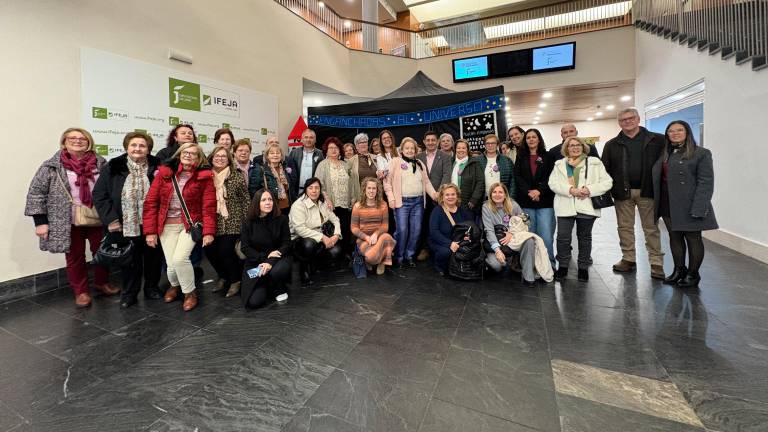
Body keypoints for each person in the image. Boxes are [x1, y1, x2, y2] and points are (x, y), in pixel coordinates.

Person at [25, 127, 118, 308]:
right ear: (64, 142)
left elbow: (111, 190)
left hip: (96, 216)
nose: (78, 141)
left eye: (82, 139)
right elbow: (36, 193)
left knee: (103, 251)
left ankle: (101, 282)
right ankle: (81, 291)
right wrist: (40, 222)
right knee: (75, 255)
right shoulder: (51, 166)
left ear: (89, 142)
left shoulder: (101, 163)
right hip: (66, 219)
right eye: (72, 138)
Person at [142, 142, 216, 311]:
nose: (189, 155)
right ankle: (174, 285)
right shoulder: (164, 174)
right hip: (166, 226)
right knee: (170, 264)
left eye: (193, 153)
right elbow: (151, 203)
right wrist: (150, 232)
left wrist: (209, 232)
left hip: (189, 224)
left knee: (179, 259)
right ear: (179, 154)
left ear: (199, 158)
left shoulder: (204, 176)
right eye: (185, 152)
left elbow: (209, 206)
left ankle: (190, 293)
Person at [92, 131, 163, 308]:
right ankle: (129, 293)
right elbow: (100, 195)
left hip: (152, 222)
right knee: (130, 260)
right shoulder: (113, 166)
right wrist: (111, 219)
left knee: (153, 258)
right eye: (134, 145)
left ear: (148, 149)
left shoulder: (158, 166)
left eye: (142, 145)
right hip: (124, 224)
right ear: (127, 147)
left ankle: (151, 288)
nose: (137, 148)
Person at [602, 108, 665, 279]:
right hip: (623, 192)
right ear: (619, 123)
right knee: (624, 227)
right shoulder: (611, 145)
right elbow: (604, 170)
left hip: (648, 191)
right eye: (623, 120)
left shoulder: (657, 140)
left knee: (651, 228)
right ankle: (628, 258)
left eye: (630, 118)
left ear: (638, 119)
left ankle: (656, 262)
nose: (627, 122)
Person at [653, 120, 717, 288]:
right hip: (667, 202)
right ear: (667, 134)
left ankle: (693, 274)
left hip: (690, 203)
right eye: (671, 131)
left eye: (679, 130)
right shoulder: (665, 153)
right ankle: (679, 270)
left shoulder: (701, 153)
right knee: (674, 237)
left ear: (687, 132)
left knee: (693, 238)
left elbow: (706, 182)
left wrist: (699, 206)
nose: (675, 133)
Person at [549, 137, 613, 281]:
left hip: (586, 205)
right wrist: (570, 190)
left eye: (578, 145)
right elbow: (552, 183)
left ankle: (583, 268)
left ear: (583, 147)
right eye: (571, 146)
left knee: (584, 238)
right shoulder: (559, 164)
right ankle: (563, 266)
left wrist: (589, 189)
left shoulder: (594, 162)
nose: (575, 148)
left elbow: (607, 182)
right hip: (566, 205)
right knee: (563, 238)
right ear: (566, 148)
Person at [384, 137, 438, 268]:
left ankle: (409, 256)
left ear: (416, 150)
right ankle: (398, 257)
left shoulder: (419, 163)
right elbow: (387, 182)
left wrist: (435, 195)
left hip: (418, 202)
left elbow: (426, 183)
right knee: (402, 230)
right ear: (401, 150)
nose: (409, 150)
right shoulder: (395, 162)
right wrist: (391, 198)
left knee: (416, 230)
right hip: (402, 202)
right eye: (406, 148)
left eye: (412, 148)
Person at [205, 145, 249, 298]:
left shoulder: (236, 175)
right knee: (209, 251)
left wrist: (246, 222)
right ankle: (223, 276)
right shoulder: (205, 176)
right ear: (211, 158)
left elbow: (245, 199)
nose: (220, 158)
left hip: (233, 220)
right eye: (217, 156)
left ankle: (235, 280)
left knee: (226, 251)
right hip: (211, 220)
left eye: (224, 156)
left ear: (229, 159)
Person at [482, 182, 545, 286]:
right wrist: (497, 251)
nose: (497, 195)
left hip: (513, 240)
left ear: (505, 194)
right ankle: (509, 260)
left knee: (529, 241)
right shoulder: (486, 207)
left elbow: (527, 221)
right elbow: (489, 230)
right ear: (490, 194)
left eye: (500, 192)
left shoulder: (513, 204)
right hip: (496, 242)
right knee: (496, 265)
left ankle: (528, 277)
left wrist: (512, 233)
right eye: (494, 192)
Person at [239, 189, 292, 309]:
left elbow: (286, 244)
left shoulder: (281, 219)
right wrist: (263, 260)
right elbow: (245, 247)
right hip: (256, 261)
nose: (268, 202)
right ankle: (267, 282)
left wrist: (270, 262)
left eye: (270, 199)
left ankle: (278, 285)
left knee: (277, 271)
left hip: (278, 259)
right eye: (264, 200)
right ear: (257, 203)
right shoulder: (247, 222)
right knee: (254, 302)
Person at [515, 128, 556, 266]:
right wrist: (529, 192)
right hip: (526, 201)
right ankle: (531, 264)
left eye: (534, 137)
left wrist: (539, 191)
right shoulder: (521, 156)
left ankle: (549, 263)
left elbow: (552, 176)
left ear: (539, 139)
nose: (531, 139)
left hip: (544, 201)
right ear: (525, 141)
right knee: (529, 235)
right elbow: (518, 177)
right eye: (528, 138)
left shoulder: (548, 156)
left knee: (546, 235)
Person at [289, 177, 343, 284]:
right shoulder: (298, 205)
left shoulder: (321, 202)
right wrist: (322, 237)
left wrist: (336, 235)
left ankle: (316, 263)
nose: (314, 191)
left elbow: (335, 219)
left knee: (336, 251)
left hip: (320, 236)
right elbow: (300, 229)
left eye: (317, 188)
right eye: (310, 188)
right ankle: (303, 268)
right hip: (300, 239)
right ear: (306, 190)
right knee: (309, 245)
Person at [415, 131, 452, 261]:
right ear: (424, 142)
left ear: (437, 142)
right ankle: (424, 248)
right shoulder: (417, 157)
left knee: (437, 224)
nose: (430, 142)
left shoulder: (445, 157)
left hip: (438, 197)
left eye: (433, 140)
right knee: (423, 223)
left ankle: (438, 248)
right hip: (422, 196)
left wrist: (438, 193)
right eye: (428, 140)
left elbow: (447, 175)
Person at [351, 177, 396, 275]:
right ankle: (374, 259)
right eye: (369, 188)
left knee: (387, 237)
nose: (371, 191)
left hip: (379, 238)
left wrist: (376, 234)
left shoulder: (383, 205)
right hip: (363, 240)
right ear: (364, 189)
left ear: (377, 190)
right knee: (371, 256)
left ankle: (381, 262)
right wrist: (366, 237)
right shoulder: (357, 206)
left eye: (374, 188)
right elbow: (354, 228)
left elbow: (385, 226)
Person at [315, 138, 352, 253]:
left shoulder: (346, 165)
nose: (333, 150)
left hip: (345, 204)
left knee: (345, 228)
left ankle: (345, 254)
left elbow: (352, 183)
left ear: (340, 150)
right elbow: (318, 184)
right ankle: (333, 255)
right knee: (332, 229)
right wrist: (327, 200)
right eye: (331, 148)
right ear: (326, 150)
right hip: (330, 204)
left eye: (336, 148)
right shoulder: (322, 165)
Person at [428, 184, 473, 275]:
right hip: (440, 241)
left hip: (458, 241)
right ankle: (439, 265)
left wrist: (467, 237)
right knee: (446, 252)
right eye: (447, 195)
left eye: (453, 194)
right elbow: (434, 232)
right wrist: (450, 243)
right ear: (442, 197)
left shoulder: (462, 210)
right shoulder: (437, 211)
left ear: (457, 196)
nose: (450, 197)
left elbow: (470, 227)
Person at [248, 142, 298, 213]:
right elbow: (253, 192)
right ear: (267, 156)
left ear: (281, 156)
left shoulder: (285, 170)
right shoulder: (261, 170)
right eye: (272, 153)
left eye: (278, 153)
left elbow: (290, 190)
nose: (275, 155)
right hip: (270, 209)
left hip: (287, 208)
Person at [451, 139, 485, 217]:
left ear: (467, 149)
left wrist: (474, 199)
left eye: (463, 148)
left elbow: (480, 182)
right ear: (455, 149)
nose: (461, 150)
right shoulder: (451, 162)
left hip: (468, 203)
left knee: (468, 225)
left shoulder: (475, 162)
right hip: (452, 201)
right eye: (458, 148)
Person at [287, 128, 324, 195]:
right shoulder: (294, 153)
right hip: (296, 191)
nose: (308, 140)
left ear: (315, 140)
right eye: (306, 137)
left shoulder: (320, 154)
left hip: (313, 191)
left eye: (311, 137)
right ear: (302, 139)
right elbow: (289, 170)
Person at [479, 134, 515, 199]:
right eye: (487, 143)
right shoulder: (478, 160)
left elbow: (513, 181)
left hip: (503, 198)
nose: (490, 145)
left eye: (493, 143)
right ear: (484, 145)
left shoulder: (507, 160)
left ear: (497, 144)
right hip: (483, 199)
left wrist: (510, 198)